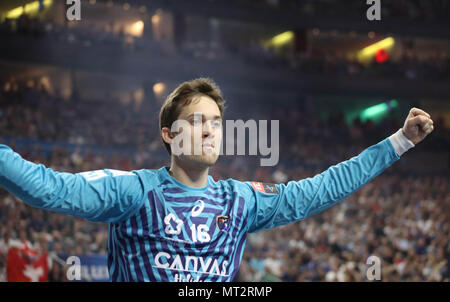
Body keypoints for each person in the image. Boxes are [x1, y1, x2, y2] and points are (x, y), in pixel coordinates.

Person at [0, 78, 434, 281]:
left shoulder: (240, 201)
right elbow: (47, 188)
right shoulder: (133, 191)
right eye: (196, 121)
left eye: (216, 122)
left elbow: (323, 188)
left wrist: (398, 142)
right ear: (169, 135)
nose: (209, 129)